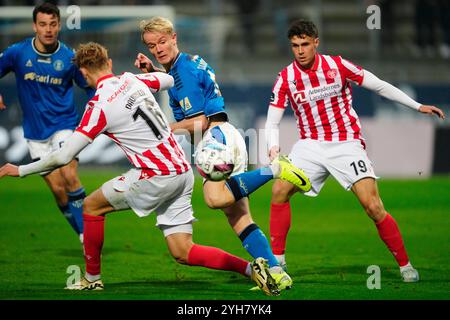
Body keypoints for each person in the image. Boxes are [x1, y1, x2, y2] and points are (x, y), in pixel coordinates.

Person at [0, 42, 280, 296]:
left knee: (90, 206)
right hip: (183, 171)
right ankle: (250, 268)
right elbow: (168, 79)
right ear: (109, 64)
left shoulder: (98, 106)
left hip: (155, 175)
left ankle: (91, 278)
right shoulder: (133, 80)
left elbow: (63, 156)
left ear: (84, 75)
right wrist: (150, 71)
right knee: (182, 251)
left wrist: (21, 170)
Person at [134, 16, 312, 291]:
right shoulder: (183, 67)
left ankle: (277, 169)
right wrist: (153, 70)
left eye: (162, 42)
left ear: (174, 38)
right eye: (151, 45)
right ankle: (277, 272)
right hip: (224, 135)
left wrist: (164, 128)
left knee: (214, 198)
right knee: (239, 218)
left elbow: (199, 122)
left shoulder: (185, 74)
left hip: (215, 138)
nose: (157, 49)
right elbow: (182, 87)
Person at [265, 19, 445, 282]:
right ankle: (278, 263)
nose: (300, 50)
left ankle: (405, 265)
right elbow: (272, 121)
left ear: (316, 42)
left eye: (305, 44)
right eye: (295, 46)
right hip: (310, 145)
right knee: (280, 190)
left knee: (372, 205)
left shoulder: (337, 65)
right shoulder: (286, 78)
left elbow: (379, 85)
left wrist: (417, 106)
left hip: (346, 143)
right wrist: (272, 147)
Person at [0, 3, 94, 243]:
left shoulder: (69, 58)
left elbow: (90, 87)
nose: (48, 29)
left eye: (53, 24)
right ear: (35, 26)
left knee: (69, 175)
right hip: (35, 133)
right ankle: (82, 232)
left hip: (64, 125)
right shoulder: (18, 53)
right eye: (43, 24)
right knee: (58, 191)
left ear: (59, 25)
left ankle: (87, 238)